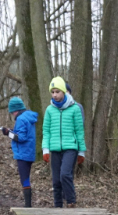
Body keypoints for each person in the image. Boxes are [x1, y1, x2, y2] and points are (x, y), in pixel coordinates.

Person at [42, 76, 86, 208]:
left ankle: (71, 202)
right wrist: (45, 149)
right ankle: (58, 206)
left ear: (64, 92)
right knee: (56, 180)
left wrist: (81, 151)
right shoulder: (49, 110)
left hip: (70, 147)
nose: (55, 95)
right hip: (55, 148)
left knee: (65, 174)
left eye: (57, 92)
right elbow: (46, 131)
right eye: (52, 92)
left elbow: (79, 131)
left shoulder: (75, 108)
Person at [1, 96, 38, 208]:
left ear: (16, 110)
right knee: (25, 178)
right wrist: (11, 131)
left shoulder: (21, 119)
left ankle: (28, 207)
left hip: (23, 154)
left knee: (25, 180)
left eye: (12, 112)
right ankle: (28, 206)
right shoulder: (28, 117)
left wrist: (8, 133)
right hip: (29, 152)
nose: (12, 115)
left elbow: (21, 137)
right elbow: (23, 133)